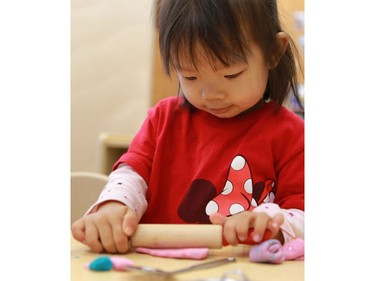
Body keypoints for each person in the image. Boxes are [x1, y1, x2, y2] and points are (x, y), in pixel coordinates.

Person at [72, 0, 304, 254]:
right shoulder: (163, 120)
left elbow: (304, 216)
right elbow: (131, 177)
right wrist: (114, 205)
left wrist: (271, 223)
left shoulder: (292, 135)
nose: (211, 94)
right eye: (190, 76)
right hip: (153, 266)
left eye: (231, 75)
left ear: (274, 52)